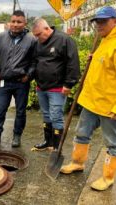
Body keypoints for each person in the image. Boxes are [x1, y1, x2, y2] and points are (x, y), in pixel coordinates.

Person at [60, 6, 116, 191]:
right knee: (81, 134)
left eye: (103, 21)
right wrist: (95, 57)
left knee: (114, 143)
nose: (99, 25)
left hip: (110, 106)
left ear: (115, 21)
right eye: (97, 21)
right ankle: (77, 163)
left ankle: (108, 178)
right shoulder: (105, 41)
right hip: (91, 102)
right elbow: (106, 68)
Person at [0, 10, 36, 148]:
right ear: (10, 22)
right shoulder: (0, 37)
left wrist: (28, 75)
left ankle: (17, 136)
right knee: (0, 109)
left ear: (24, 23)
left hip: (21, 83)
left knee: (20, 111)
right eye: (13, 21)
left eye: (19, 22)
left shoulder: (31, 40)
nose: (15, 24)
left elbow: (34, 61)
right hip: (4, 82)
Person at [31, 18, 80, 151]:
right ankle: (48, 142)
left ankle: (57, 148)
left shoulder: (64, 40)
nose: (37, 38)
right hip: (41, 86)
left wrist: (69, 84)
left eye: (39, 34)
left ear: (47, 29)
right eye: (35, 35)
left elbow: (73, 63)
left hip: (57, 87)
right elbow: (35, 61)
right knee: (46, 115)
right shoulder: (38, 43)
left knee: (56, 116)